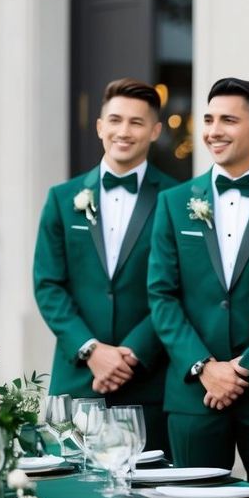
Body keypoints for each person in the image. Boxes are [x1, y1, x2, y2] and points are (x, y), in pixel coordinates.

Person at [147, 77, 249, 498]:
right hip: (193, 392)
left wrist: (247, 363)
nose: (213, 130)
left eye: (228, 119)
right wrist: (204, 365)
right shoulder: (174, 202)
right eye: (208, 119)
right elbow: (161, 295)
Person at [33, 78, 177, 452]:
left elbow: (181, 288)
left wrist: (131, 353)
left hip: (148, 382)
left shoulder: (177, 200)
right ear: (100, 126)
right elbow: (48, 284)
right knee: (68, 496)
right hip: (77, 381)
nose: (123, 131)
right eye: (115, 120)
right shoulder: (62, 199)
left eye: (136, 122)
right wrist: (92, 350)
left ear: (155, 131)